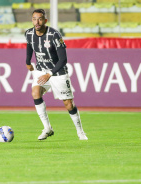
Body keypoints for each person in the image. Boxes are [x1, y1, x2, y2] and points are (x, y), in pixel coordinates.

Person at [25, 9, 88, 141]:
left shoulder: (54, 35)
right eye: (34, 19)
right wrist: (28, 62)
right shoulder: (29, 33)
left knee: (68, 104)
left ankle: (80, 132)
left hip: (57, 72)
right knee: (35, 93)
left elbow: (63, 60)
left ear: (45, 20)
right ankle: (47, 128)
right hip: (41, 70)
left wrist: (50, 74)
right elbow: (30, 46)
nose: (37, 22)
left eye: (40, 19)